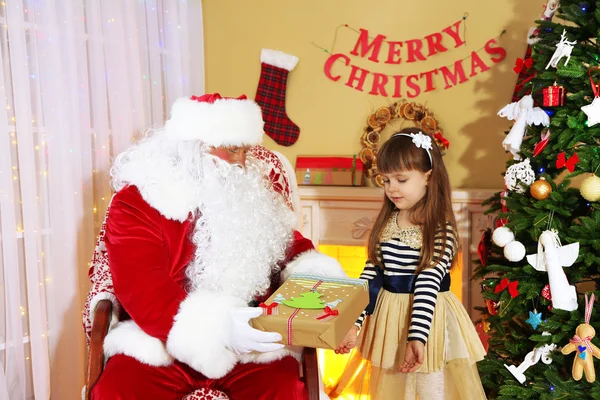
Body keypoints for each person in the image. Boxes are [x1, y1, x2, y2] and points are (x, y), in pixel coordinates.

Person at [89, 93, 345, 399]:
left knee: (286, 389)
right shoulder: (137, 201)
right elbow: (143, 290)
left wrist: (334, 307)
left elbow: (295, 251)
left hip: (251, 341)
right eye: (232, 149)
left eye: (245, 150)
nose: (240, 162)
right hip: (162, 339)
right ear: (193, 147)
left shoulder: (252, 194)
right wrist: (220, 329)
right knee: (118, 390)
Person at [329, 127, 487, 399]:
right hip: (390, 321)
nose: (392, 188)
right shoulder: (387, 223)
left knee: (429, 389)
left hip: (427, 321)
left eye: (401, 179)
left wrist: (417, 336)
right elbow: (370, 279)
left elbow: (427, 282)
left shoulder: (440, 229)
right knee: (393, 388)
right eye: (386, 180)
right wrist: (353, 325)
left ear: (428, 176)